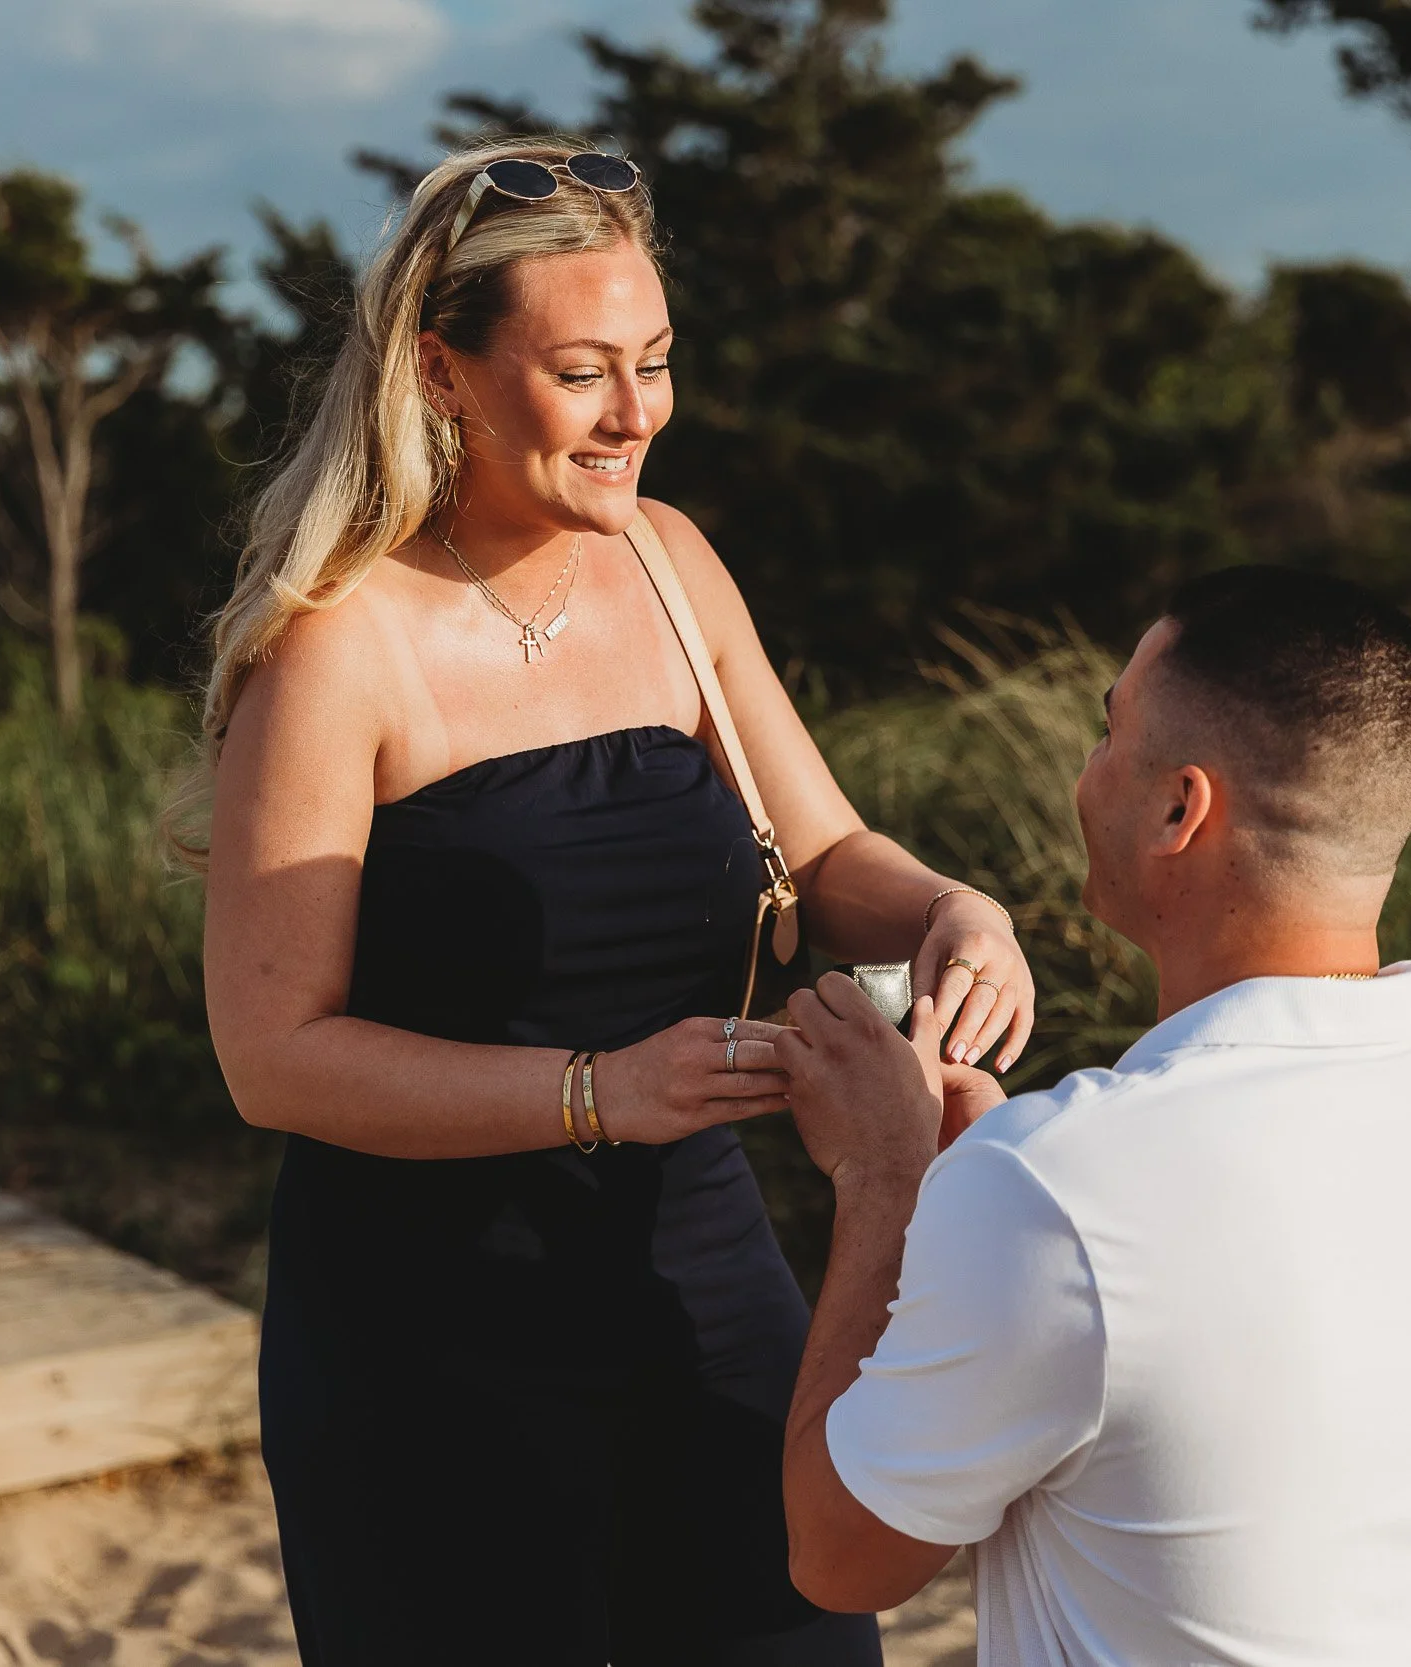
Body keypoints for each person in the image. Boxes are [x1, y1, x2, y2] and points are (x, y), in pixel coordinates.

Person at [187, 138, 1038, 1666]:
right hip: (431, 1345)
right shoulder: (339, 649)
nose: (637, 413)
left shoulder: (668, 562)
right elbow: (272, 1052)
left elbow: (823, 847)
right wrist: (597, 1092)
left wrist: (949, 910)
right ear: (441, 371)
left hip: (708, 1281)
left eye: (654, 361)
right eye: (584, 371)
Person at [771, 567, 1411, 1665]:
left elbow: (837, 1557)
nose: (1085, 770)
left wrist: (884, 1179)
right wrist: (998, 1193)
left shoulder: (1059, 1187)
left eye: (1105, 731)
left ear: (1180, 807)